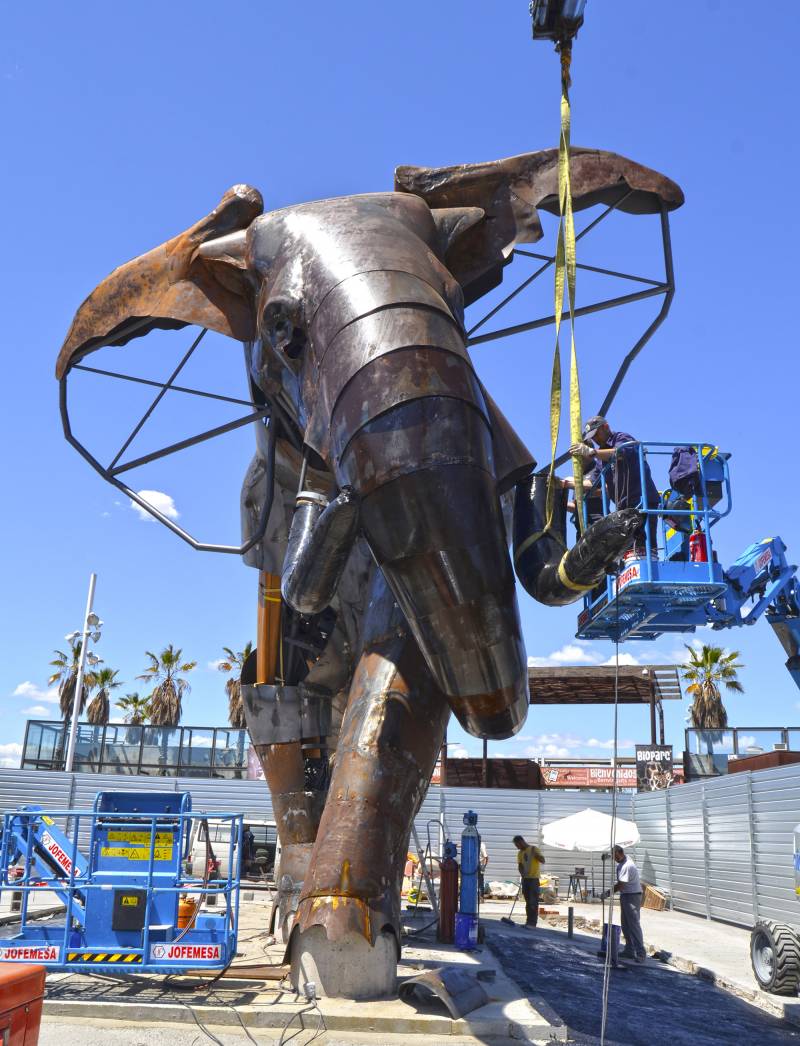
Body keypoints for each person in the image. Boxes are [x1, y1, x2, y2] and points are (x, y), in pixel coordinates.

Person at [567, 415, 660, 557]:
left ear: (606, 427)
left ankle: (647, 565)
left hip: (642, 499)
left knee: (643, 547)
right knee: (629, 548)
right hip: (624, 506)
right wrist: (567, 483)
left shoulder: (622, 439)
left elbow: (620, 453)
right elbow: (593, 482)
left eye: (596, 434)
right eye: (592, 437)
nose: (594, 440)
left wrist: (591, 452)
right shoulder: (600, 459)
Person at [612, 844, 646, 962]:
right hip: (626, 895)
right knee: (625, 925)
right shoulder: (624, 860)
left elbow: (621, 885)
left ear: (620, 853)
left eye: (615, 857)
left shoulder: (627, 866)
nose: (614, 859)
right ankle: (629, 950)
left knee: (634, 925)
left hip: (632, 896)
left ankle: (641, 953)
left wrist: (608, 893)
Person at [513, 835, 545, 928]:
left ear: (521, 842)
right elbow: (520, 865)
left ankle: (533, 923)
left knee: (533, 901)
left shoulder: (534, 849)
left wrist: (536, 855)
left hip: (534, 879)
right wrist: (521, 872)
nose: (517, 847)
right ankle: (528, 921)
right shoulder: (520, 853)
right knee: (528, 901)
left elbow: (543, 860)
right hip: (525, 879)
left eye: (517, 845)